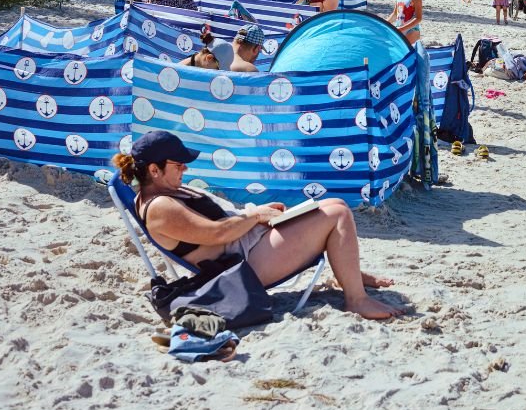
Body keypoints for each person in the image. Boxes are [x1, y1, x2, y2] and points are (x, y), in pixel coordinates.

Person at [113, 130, 403, 320]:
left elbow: (221, 225)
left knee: (334, 205)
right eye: (178, 165)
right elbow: (217, 234)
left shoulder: (166, 191)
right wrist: (255, 216)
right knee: (338, 216)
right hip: (243, 264)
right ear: (154, 170)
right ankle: (356, 299)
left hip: (246, 243)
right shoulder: (161, 208)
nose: (185, 169)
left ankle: (348, 272)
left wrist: (257, 215)